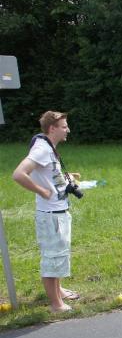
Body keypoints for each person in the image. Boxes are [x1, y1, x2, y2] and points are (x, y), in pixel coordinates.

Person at [11, 111, 81, 312]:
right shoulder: (41, 149)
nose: (68, 130)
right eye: (64, 127)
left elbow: (48, 174)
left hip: (58, 212)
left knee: (59, 255)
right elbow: (19, 174)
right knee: (52, 258)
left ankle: (59, 291)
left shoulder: (49, 148)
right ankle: (56, 304)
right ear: (52, 129)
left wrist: (67, 177)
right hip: (50, 216)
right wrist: (41, 191)